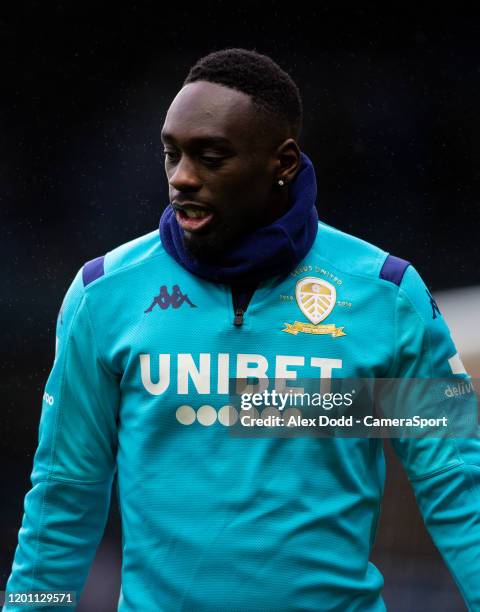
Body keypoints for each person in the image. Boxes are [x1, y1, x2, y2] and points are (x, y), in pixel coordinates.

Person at [3, 47, 480, 612]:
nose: (182, 177)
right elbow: (65, 496)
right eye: (172, 154)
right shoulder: (104, 295)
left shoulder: (387, 295)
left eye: (211, 156)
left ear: (282, 162)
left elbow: (455, 483)